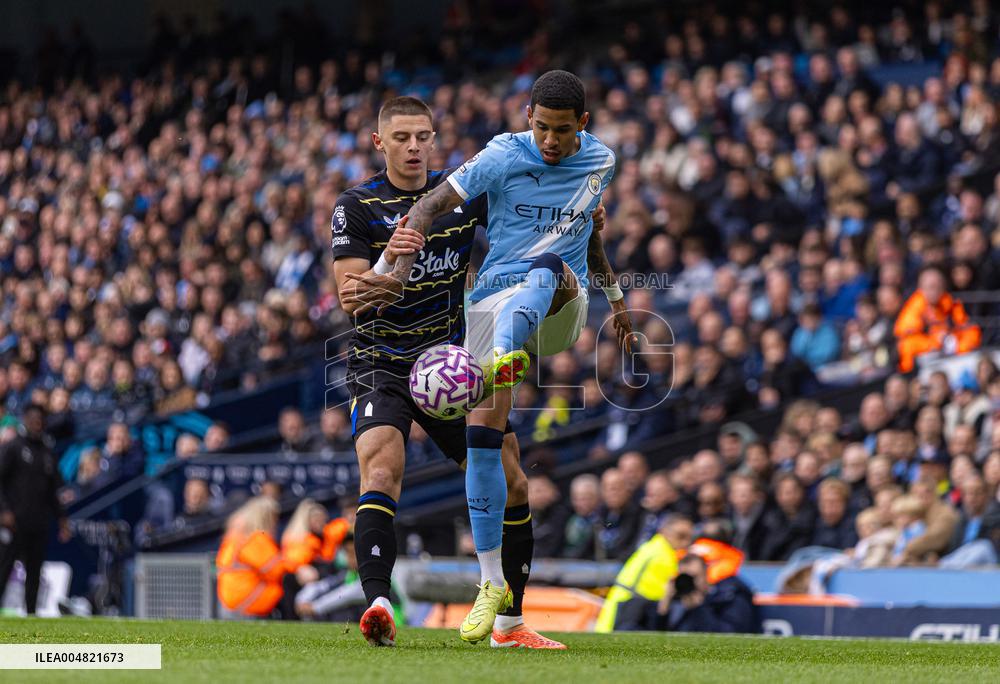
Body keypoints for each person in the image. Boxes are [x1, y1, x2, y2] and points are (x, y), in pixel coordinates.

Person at [344, 71, 634, 644]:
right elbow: (427, 209)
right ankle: (497, 602)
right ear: (527, 116)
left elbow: (587, 234)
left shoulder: (601, 161)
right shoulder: (499, 157)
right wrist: (392, 269)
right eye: (541, 127)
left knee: (548, 267)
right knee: (496, 462)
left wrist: (617, 300)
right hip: (474, 318)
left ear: (583, 124)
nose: (550, 141)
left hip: (556, 301)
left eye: (561, 130)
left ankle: (502, 356)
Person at [331, 96, 559, 648]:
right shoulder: (358, 205)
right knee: (381, 465)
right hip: (380, 360)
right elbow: (349, 299)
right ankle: (380, 605)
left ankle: (510, 623)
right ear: (379, 143)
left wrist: (577, 217)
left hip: (451, 362)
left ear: (433, 139)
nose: (414, 147)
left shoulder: (460, 196)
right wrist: (391, 262)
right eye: (402, 138)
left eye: (423, 137)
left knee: (511, 478)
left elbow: (524, 219)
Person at [0, 404, 71, 614]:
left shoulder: (46, 452)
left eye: (40, 420)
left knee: (34, 570)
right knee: (4, 567)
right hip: (13, 522)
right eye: (33, 419)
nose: (37, 424)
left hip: (38, 523)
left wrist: (62, 519)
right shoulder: (13, 447)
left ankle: (31, 613)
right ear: (25, 419)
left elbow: (53, 492)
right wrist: (3, 511)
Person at [594, 515, 694, 632]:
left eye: (690, 538)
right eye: (681, 536)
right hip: (630, 607)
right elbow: (663, 595)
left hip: (624, 602)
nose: (686, 542)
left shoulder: (654, 547)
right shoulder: (663, 555)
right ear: (665, 532)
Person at [894, 266, 981, 372]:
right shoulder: (915, 306)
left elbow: (970, 330)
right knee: (906, 345)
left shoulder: (951, 303)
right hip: (924, 362)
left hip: (953, 358)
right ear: (921, 288)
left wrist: (957, 346)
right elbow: (905, 334)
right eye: (931, 287)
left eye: (938, 286)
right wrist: (937, 342)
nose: (935, 290)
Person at [655, 553, 760, 633]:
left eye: (694, 577)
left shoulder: (729, 596)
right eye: (684, 578)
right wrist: (664, 606)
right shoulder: (679, 600)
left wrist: (699, 609)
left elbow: (730, 636)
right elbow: (657, 642)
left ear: (706, 575)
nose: (690, 583)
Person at [216, 496, 285, 618]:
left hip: (228, 603)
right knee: (285, 583)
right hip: (246, 602)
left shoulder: (234, 537)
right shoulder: (255, 539)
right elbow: (277, 570)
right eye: (274, 517)